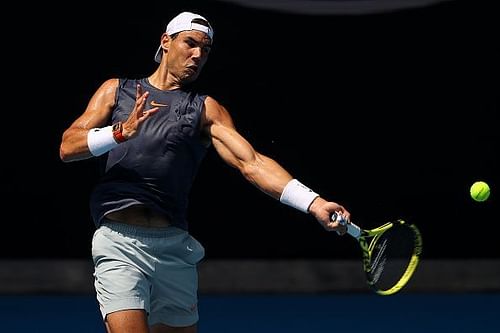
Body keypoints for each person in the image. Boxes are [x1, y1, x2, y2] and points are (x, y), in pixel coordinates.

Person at [59, 11, 351, 333]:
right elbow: (68, 147)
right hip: (118, 242)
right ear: (165, 42)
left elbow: (251, 163)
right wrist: (118, 132)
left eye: (206, 50)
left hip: (174, 247)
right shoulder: (116, 91)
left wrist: (314, 203)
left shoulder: (206, 109)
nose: (198, 55)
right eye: (191, 43)